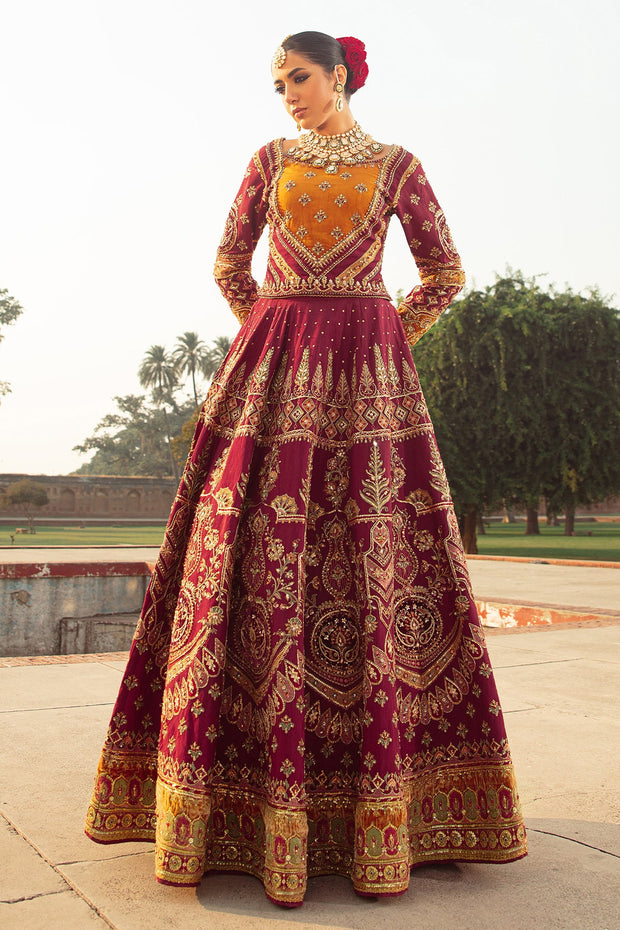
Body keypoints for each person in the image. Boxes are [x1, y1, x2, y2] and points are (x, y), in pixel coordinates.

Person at [85, 31, 527, 907]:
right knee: (240, 562)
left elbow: (446, 272)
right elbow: (226, 262)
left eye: (299, 78)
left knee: (377, 558)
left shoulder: (398, 165)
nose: (287, 93)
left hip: (370, 372)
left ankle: (385, 811)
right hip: (273, 366)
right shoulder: (269, 159)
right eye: (278, 81)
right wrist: (269, 332)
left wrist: (388, 332)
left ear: (340, 77)